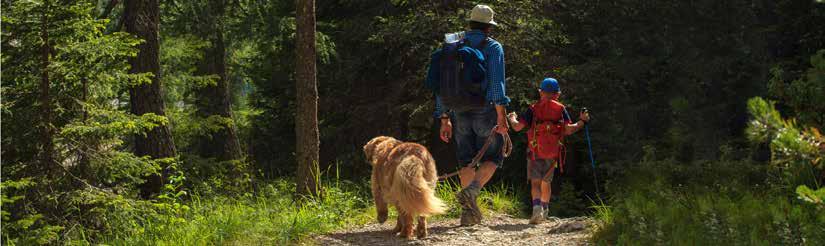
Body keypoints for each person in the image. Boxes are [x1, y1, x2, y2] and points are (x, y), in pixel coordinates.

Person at [430, 4, 510, 226]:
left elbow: (441, 86)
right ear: (489, 27)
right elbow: (496, 85)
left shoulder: (453, 45)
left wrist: (443, 118)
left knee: (467, 160)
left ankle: (468, 214)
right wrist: (501, 117)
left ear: (470, 23)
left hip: (457, 110)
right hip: (485, 110)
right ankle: (473, 191)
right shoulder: (493, 47)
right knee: (493, 157)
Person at [507, 78, 590, 224]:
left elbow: (518, 127)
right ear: (557, 94)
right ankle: (545, 210)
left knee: (535, 183)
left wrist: (512, 118)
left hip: (535, 151)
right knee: (546, 182)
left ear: (541, 92)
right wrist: (582, 121)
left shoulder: (533, 109)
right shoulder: (560, 109)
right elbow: (569, 129)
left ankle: (536, 208)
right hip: (553, 153)